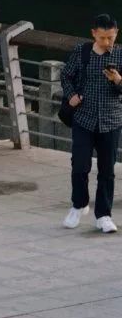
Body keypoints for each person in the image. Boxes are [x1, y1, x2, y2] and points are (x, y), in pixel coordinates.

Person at [62, 13, 122, 232]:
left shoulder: (121, 55)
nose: (107, 42)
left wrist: (118, 80)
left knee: (107, 169)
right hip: (83, 118)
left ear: (116, 34)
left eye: (111, 38)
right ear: (94, 34)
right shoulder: (82, 51)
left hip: (111, 119)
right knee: (80, 164)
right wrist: (70, 95)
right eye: (102, 38)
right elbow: (66, 75)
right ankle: (79, 205)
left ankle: (104, 215)